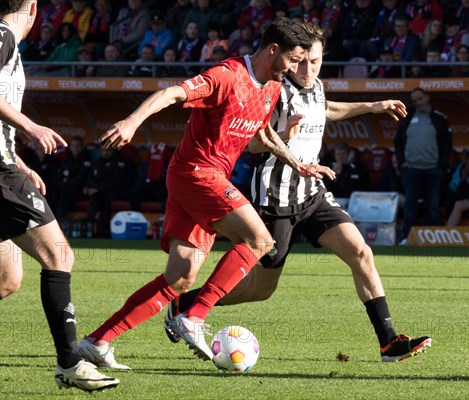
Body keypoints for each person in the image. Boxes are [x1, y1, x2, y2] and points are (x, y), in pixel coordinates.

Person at [163, 22, 432, 364]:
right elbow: (252, 147)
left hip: (312, 194)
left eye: (315, 62)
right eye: (302, 62)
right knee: (261, 290)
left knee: (361, 252)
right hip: (275, 201)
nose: (307, 69)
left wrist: (373, 106)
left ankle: (389, 343)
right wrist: (284, 137)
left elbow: (326, 109)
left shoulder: (315, 86)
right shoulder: (274, 89)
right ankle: (186, 304)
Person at [77, 18, 327, 369]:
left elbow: (262, 139)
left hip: (202, 178)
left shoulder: (271, 88)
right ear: (274, 51)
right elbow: (170, 93)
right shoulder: (227, 75)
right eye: (295, 59)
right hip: (196, 173)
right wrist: (133, 121)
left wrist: (296, 161)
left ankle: (97, 341)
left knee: (180, 277)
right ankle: (195, 316)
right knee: (259, 240)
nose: (298, 68)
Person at [0, 0, 118, 392]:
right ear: (33, 8)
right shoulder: (1, 35)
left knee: (6, 279)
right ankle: (69, 363)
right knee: (59, 255)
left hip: (3, 165)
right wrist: (30, 126)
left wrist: (17, 158)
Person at [395, 87, 452, 243]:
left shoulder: (439, 118)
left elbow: (447, 144)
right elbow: (398, 143)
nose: (417, 102)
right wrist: (402, 163)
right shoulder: (406, 118)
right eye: (414, 100)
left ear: (427, 98)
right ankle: (407, 238)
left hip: (433, 169)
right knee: (410, 205)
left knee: (432, 205)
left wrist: (441, 165)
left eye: (420, 98)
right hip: (411, 169)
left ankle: (432, 238)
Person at [446, 151, 469, 226]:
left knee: (455, 201)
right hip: (451, 194)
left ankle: (448, 230)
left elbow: (462, 195)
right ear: (465, 161)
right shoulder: (455, 167)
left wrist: (464, 179)